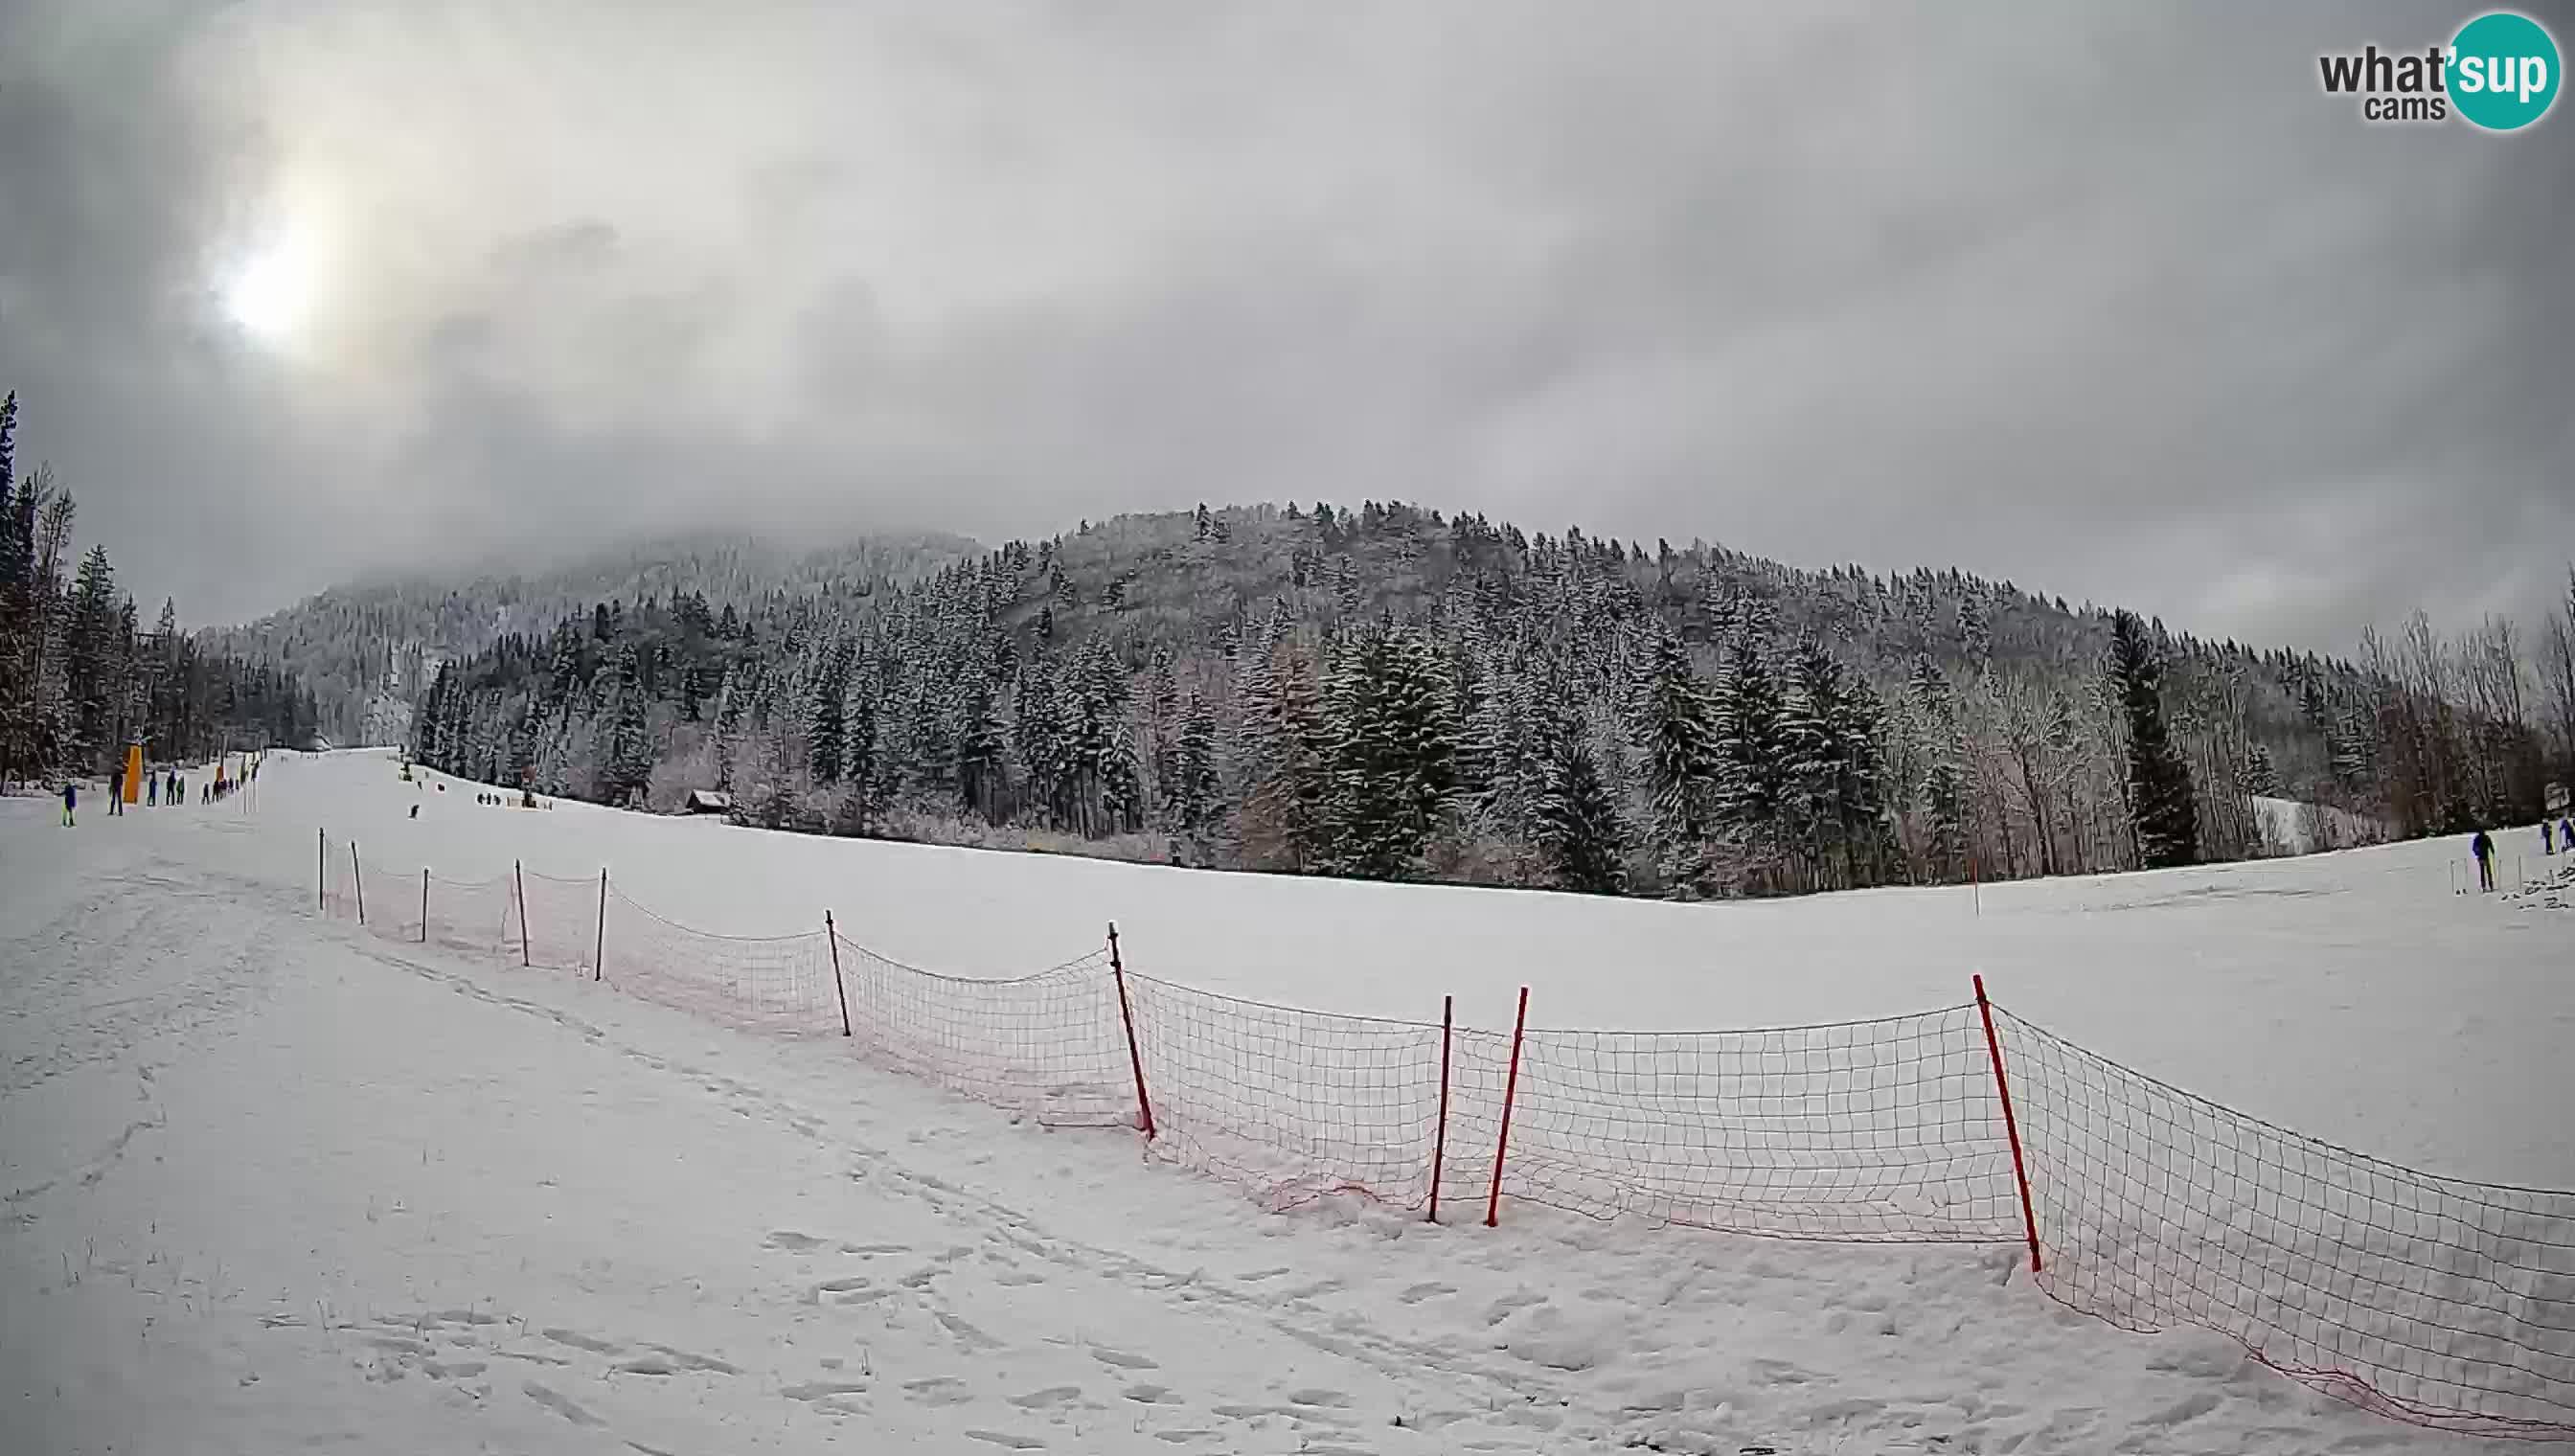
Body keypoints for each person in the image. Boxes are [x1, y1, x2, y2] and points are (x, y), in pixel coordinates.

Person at [2471, 828, 2495, 893]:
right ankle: (2490, 886)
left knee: (2482, 872)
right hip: (2485, 857)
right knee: (2488, 872)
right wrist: (2492, 850)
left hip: (2481, 857)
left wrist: (2477, 853)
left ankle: (2484, 886)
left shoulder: (2477, 838)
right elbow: (2490, 845)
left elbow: (2474, 848)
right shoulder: (2486, 837)